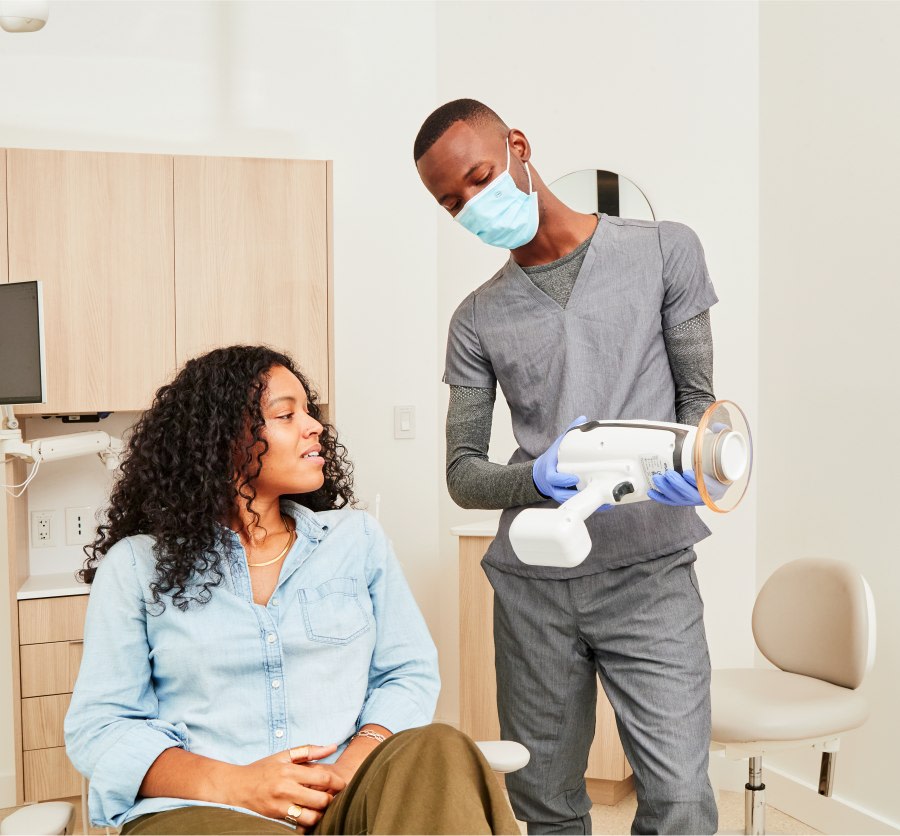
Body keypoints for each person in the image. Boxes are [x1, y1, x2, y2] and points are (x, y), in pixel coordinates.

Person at [414, 99, 720, 835]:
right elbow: (461, 471)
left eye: (480, 178)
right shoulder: (477, 317)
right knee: (546, 802)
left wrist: (695, 463)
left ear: (519, 146)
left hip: (650, 568)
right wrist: (536, 480)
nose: (471, 207)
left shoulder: (663, 251)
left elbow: (701, 406)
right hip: (534, 588)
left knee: (680, 797)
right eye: (452, 201)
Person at [64, 345, 519, 835]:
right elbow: (102, 728)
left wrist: (343, 772)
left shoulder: (355, 540)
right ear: (221, 440)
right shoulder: (135, 566)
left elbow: (406, 674)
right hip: (205, 811)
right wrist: (242, 786)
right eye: (286, 414)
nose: (314, 426)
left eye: (309, 411)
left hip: (345, 799)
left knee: (440, 748)